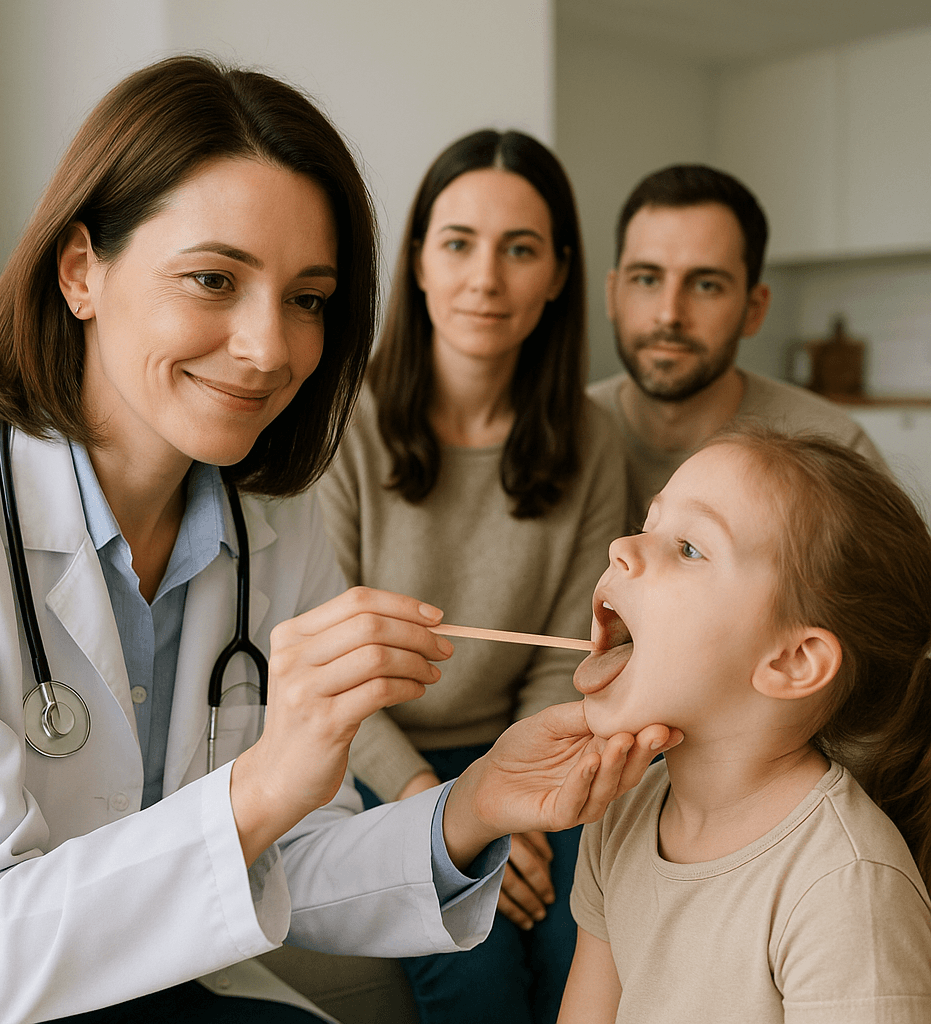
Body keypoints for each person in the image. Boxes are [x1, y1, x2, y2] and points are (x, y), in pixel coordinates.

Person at [0, 58, 682, 1024]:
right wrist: (267, 779)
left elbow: (293, 864)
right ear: (80, 272)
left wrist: (477, 802)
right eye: (212, 279)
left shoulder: (270, 521)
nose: (271, 348)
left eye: (308, 298)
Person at [318, 129, 627, 1024]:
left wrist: (517, 794)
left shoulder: (589, 440)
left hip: (526, 740)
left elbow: (569, 652)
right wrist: (443, 803)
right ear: (417, 259)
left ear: (560, 273)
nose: (485, 279)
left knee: (581, 943)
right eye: (458, 243)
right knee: (477, 970)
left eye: (519, 250)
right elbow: (338, 667)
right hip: (374, 756)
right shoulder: (344, 422)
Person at [557, 427, 931, 1023]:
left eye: (689, 548)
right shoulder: (621, 817)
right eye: (648, 522)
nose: (623, 547)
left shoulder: (847, 889)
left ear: (792, 661)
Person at [587, 164, 884, 528]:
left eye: (706, 285)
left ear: (753, 310)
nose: (669, 314)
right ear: (612, 295)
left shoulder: (835, 450)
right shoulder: (554, 433)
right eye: (647, 279)